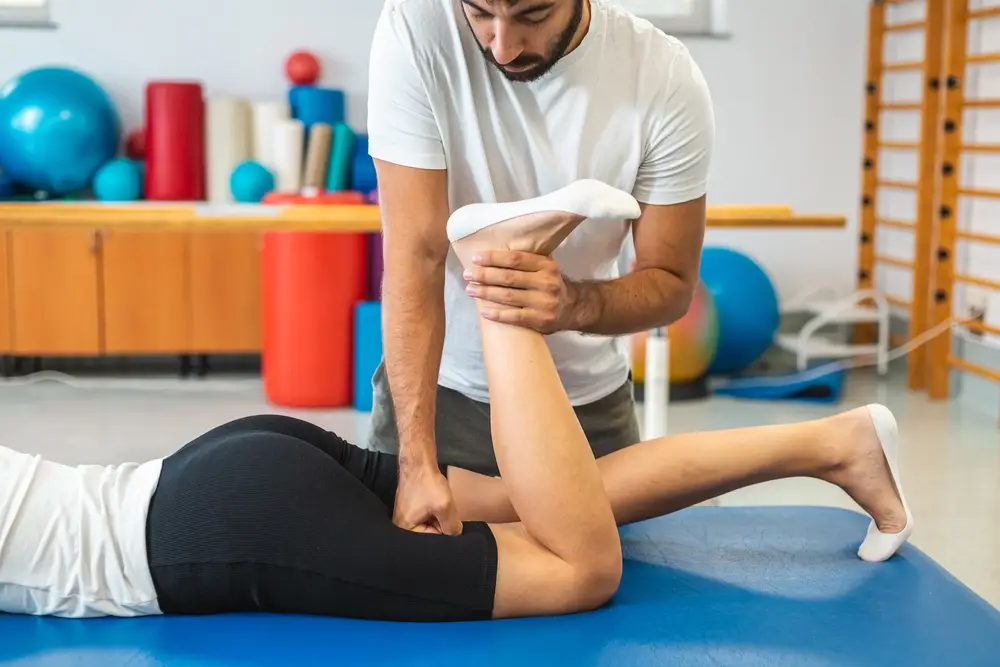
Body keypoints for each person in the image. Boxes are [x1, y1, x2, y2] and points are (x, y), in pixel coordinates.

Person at [0, 187, 912, 622]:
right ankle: (834, 444)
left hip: (220, 531)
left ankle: (498, 268)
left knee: (578, 570)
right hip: (213, 471)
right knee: (559, 497)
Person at [365, 0, 716, 536]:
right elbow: (417, 255)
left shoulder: (664, 78)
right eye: (480, 12)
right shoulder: (416, 28)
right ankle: (836, 444)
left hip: (585, 408)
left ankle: (836, 445)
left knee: (600, 599)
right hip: (438, 396)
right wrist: (416, 461)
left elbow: (671, 284)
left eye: (532, 16)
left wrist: (577, 303)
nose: (502, 45)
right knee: (412, 598)